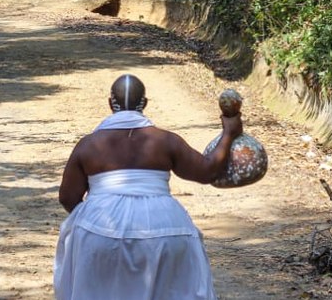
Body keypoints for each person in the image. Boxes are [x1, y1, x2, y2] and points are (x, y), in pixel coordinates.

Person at [54, 74, 242, 300]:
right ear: (144, 104)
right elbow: (207, 171)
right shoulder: (165, 141)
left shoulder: (89, 145)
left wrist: (92, 218)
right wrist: (229, 134)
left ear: (110, 104)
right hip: (165, 228)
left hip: (100, 229)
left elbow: (67, 197)